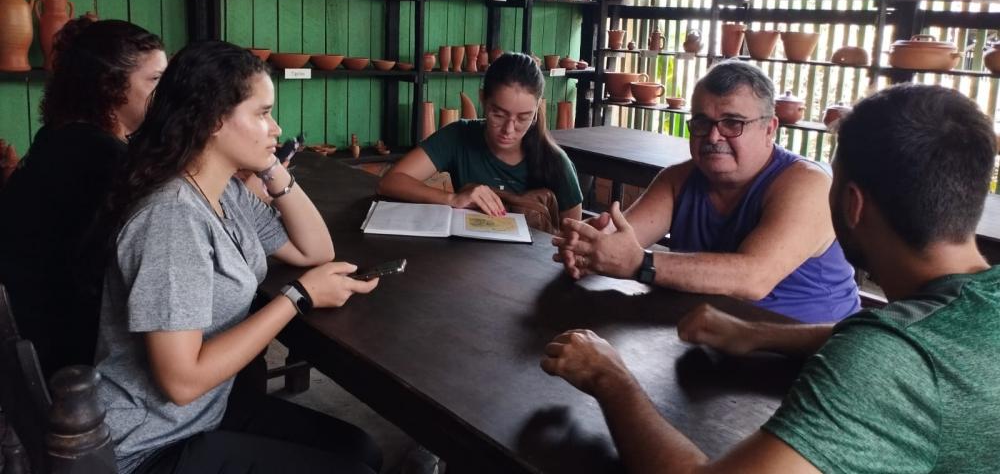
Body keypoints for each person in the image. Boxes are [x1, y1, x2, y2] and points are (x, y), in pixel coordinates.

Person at [542, 84, 1000, 473]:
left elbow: (897, 356)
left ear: (853, 205)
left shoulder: (887, 364)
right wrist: (759, 334)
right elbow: (918, 335)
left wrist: (609, 377)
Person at [94, 41, 382, 474]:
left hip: (201, 416)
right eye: (263, 114)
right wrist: (297, 297)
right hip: (148, 447)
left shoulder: (223, 190)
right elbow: (181, 381)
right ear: (213, 120)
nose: (277, 128)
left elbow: (314, 251)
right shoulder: (172, 219)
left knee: (361, 450)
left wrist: (271, 166)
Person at [553, 61, 859, 323]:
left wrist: (641, 263)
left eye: (732, 123)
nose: (713, 135)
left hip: (810, 360)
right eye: (702, 122)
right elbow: (624, 240)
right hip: (708, 340)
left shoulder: (807, 184)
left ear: (769, 129)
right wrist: (589, 248)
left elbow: (754, 278)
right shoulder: (679, 179)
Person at [0, 18, 166, 376]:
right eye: (154, 80)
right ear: (111, 87)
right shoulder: (99, 156)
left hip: (30, 335)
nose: (165, 94)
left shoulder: (63, 135)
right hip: (67, 356)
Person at [378, 52, 584, 222]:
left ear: (537, 110)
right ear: (483, 99)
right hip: (467, 260)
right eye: (499, 114)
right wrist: (452, 198)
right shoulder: (459, 135)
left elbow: (573, 235)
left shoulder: (555, 162)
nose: (509, 130)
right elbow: (391, 182)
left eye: (524, 117)